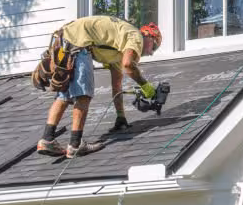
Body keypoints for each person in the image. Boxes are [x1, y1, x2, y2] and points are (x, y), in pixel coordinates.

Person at [33, 16, 162, 158]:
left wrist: (120, 116)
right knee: (83, 95)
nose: (151, 53)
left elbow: (117, 85)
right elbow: (128, 65)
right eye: (154, 46)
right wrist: (146, 86)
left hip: (66, 41)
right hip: (79, 44)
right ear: (147, 35)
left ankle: (47, 139)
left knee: (64, 95)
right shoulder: (136, 35)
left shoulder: (118, 47)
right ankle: (75, 145)